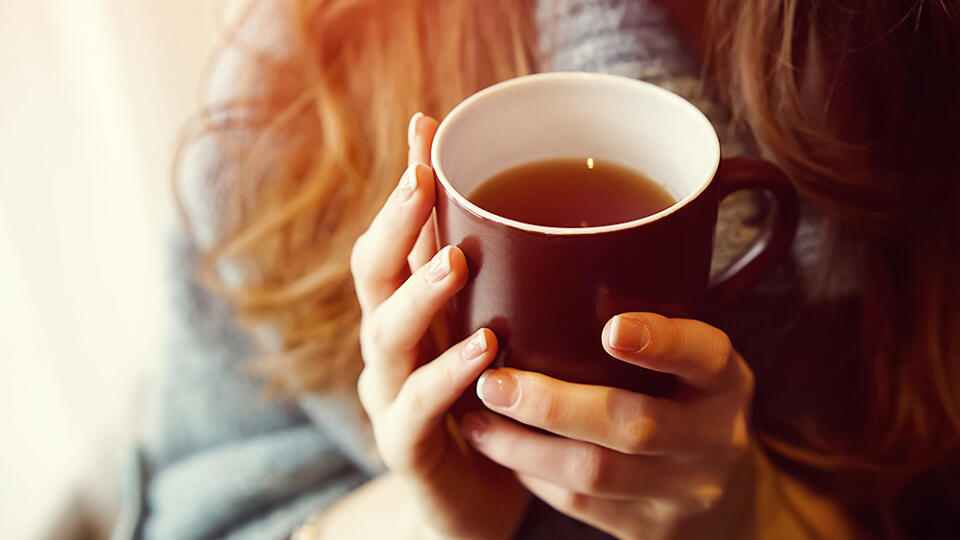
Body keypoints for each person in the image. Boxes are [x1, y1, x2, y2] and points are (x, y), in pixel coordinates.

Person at [117, 0, 960, 538]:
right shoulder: (296, 82)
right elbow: (198, 513)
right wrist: (427, 518)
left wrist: (759, 521)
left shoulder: (922, 60)